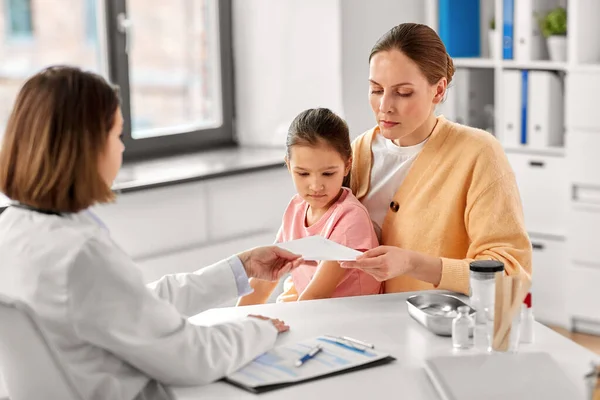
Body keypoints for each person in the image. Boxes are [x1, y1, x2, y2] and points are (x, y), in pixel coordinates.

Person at [0, 66, 304, 400]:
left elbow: (133, 306)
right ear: (87, 148)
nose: (121, 148)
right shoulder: (80, 255)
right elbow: (193, 358)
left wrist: (240, 267)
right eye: (117, 135)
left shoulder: (14, 229)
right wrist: (257, 330)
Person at [341, 23, 532, 295]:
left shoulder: (478, 153)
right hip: (361, 328)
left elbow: (511, 273)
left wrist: (413, 263)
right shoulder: (359, 151)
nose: (384, 106)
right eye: (376, 89)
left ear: (439, 90)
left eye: (403, 92)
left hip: (442, 330)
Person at [237, 108, 381, 305]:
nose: (315, 186)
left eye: (328, 174)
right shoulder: (296, 208)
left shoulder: (350, 219)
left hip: (349, 319)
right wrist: (238, 318)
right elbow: (267, 276)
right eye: (303, 174)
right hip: (313, 311)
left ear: (347, 165)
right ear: (289, 166)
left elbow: (315, 295)